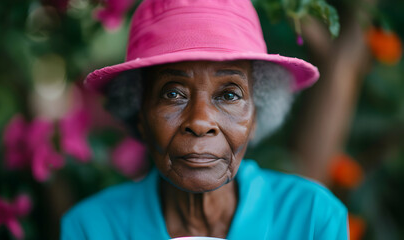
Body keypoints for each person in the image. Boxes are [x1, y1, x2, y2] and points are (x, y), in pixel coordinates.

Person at [61, 0, 349, 239]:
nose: (200, 122)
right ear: (140, 116)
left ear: (256, 116)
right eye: (173, 93)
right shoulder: (91, 228)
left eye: (229, 95)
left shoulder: (312, 218)